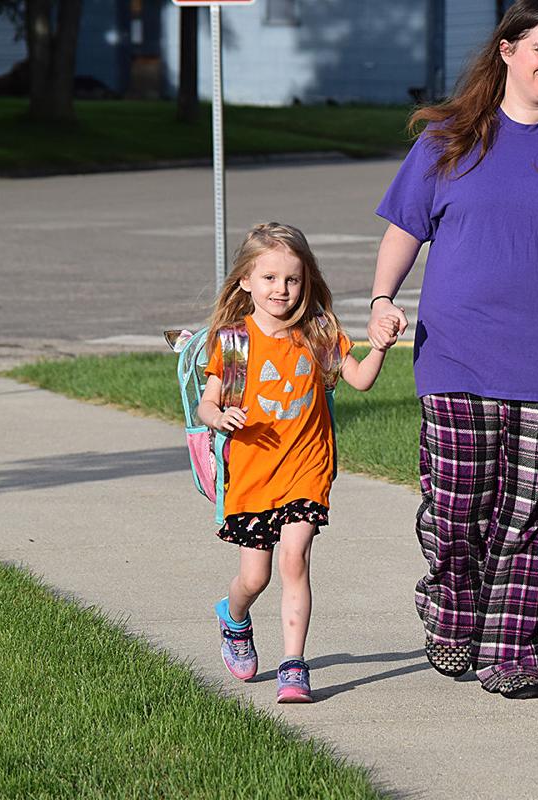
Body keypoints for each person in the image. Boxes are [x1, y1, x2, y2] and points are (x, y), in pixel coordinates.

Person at [366, 0, 538, 699]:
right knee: (457, 506)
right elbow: (405, 226)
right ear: (508, 51)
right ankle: (454, 612)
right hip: (456, 353)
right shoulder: (449, 139)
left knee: (532, 517)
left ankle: (515, 651)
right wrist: (380, 299)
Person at [198, 222, 396, 703]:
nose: (281, 290)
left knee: (295, 560)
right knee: (254, 578)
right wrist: (220, 416)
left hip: (306, 469)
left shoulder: (320, 332)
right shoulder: (236, 342)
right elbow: (208, 403)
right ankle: (235, 615)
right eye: (268, 278)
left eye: (292, 279)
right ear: (245, 280)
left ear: (306, 280)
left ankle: (293, 664)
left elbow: (361, 380)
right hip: (252, 475)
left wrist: (382, 347)